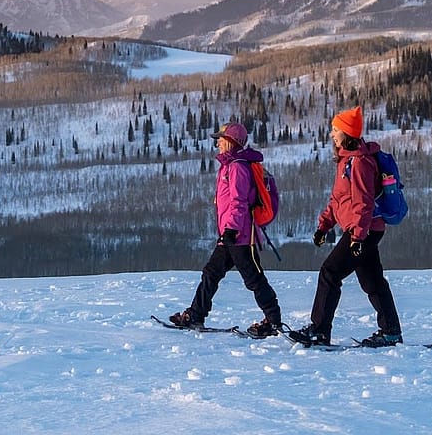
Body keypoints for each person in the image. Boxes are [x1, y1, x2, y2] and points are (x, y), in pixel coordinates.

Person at [288, 105, 404, 348]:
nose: (331, 133)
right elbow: (338, 200)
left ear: (347, 132)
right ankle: (391, 331)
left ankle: (319, 330)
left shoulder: (360, 163)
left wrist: (357, 238)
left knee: (330, 272)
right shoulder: (346, 160)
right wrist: (324, 226)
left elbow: (363, 202)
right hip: (362, 230)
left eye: (335, 129)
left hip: (363, 230)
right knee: (372, 282)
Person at [169, 122, 283, 337]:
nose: (218, 142)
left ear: (232, 142)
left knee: (254, 279)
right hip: (230, 235)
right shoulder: (229, 165)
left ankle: (273, 321)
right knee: (211, 273)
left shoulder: (238, 166)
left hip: (239, 236)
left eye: (221, 138)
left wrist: (231, 229)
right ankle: (195, 314)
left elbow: (239, 201)